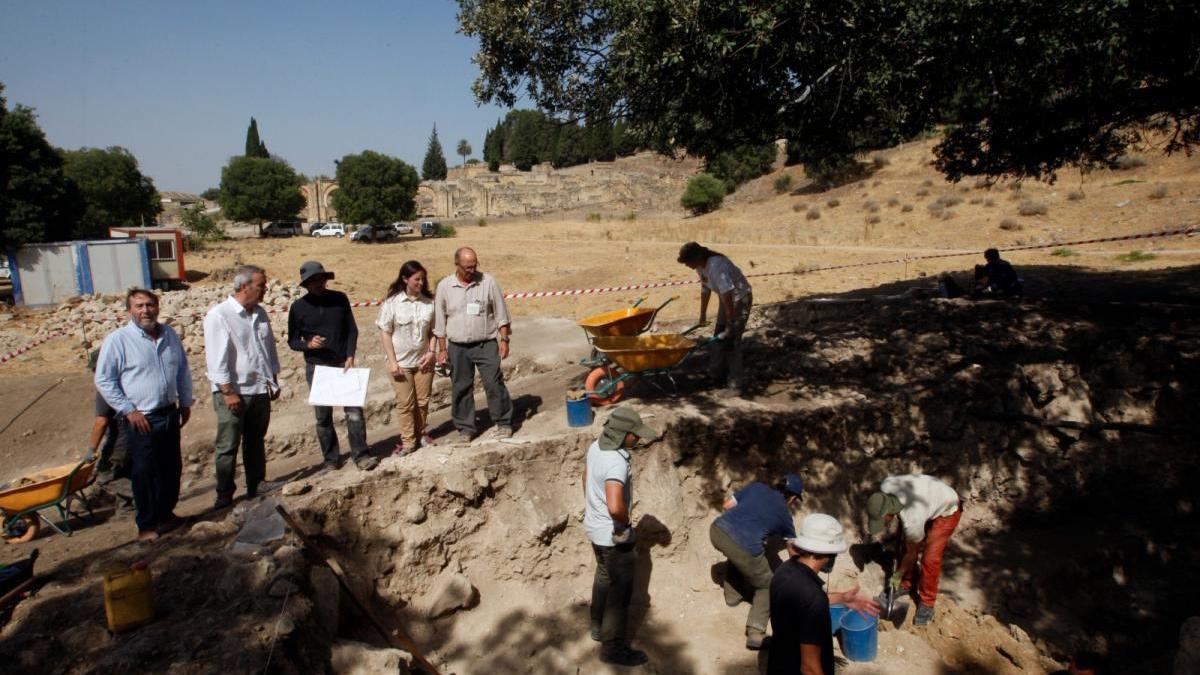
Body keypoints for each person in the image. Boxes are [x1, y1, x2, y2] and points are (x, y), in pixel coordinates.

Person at [94, 288, 193, 541]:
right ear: (130, 310)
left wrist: (185, 402)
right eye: (139, 306)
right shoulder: (118, 341)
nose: (145, 310)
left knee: (171, 468)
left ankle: (166, 515)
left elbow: (182, 369)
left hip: (169, 413)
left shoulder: (169, 334)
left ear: (158, 307)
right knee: (145, 473)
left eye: (150, 305)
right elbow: (105, 381)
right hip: (142, 418)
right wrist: (128, 410)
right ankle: (147, 526)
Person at [583, 406, 658, 667]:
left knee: (604, 576)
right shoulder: (615, 461)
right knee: (621, 591)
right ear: (621, 434)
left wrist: (594, 507)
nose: (637, 439)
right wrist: (624, 526)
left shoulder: (595, 447)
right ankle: (613, 647)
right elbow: (615, 505)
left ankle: (596, 626)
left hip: (594, 527)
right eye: (634, 435)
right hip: (612, 534)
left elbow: (586, 477)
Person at [204, 264, 282, 508]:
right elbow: (217, 359)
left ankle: (257, 483)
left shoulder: (259, 313)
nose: (265, 289)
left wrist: (273, 379)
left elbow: (267, 349)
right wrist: (228, 392)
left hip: (259, 389)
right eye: (261, 285)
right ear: (244, 286)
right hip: (234, 392)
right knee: (228, 444)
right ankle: (224, 493)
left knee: (255, 440)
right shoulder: (220, 315)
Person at [288, 261, 378, 472]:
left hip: (342, 364)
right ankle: (331, 460)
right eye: (313, 281)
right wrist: (308, 344)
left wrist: (350, 355)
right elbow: (292, 341)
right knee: (323, 417)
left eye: (320, 279)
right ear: (306, 284)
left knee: (354, 412)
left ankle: (361, 455)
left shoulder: (339, 299)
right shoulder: (298, 308)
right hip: (317, 367)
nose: (318, 284)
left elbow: (352, 330)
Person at [710, 474, 806, 650]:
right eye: (794, 500)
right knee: (768, 584)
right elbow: (792, 550)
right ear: (792, 497)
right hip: (743, 546)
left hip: (716, 531)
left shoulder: (757, 487)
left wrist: (742, 525)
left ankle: (732, 596)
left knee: (738, 555)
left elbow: (727, 505)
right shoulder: (785, 515)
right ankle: (755, 633)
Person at [433, 247, 514, 441]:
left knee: (494, 383)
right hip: (457, 347)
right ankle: (465, 427)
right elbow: (440, 321)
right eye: (468, 267)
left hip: (485, 344)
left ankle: (503, 421)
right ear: (457, 265)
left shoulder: (488, 282)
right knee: (461, 387)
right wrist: (442, 349)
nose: (472, 270)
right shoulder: (445, 286)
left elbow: (501, 314)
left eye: (475, 265)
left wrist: (504, 340)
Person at [866, 473, 962, 626]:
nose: (883, 525)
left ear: (888, 513)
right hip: (927, 498)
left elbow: (913, 552)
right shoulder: (886, 486)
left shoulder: (913, 517)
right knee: (905, 545)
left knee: (930, 558)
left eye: (883, 521)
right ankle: (905, 585)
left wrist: (898, 573)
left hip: (947, 508)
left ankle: (927, 603)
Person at [767, 514, 849, 675]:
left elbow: (802, 604)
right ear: (829, 554)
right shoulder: (814, 598)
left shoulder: (784, 571)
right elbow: (809, 668)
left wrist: (841, 598)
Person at [377, 260, 437, 456]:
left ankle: (421, 434)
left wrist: (431, 352)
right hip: (401, 363)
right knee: (406, 403)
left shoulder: (429, 303)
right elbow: (385, 332)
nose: (421, 283)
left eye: (423, 279)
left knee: (422, 401)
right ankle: (408, 441)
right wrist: (392, 362)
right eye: (416, 279)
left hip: (423, 361)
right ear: (405, 279)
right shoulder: (392, 303)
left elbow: (434, 331)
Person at [676, 242, 753, 395]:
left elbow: (727, 295)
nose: (686, 265)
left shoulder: (717, 266)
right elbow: (705, 289)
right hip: (727, 299)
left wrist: (730, 323)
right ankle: (715, 376)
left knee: (732, 340)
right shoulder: (699, 266)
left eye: (687, 261)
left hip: (739, 298)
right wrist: (702, 314)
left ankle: (735, 384)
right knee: (718, 337)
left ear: (697, 257)